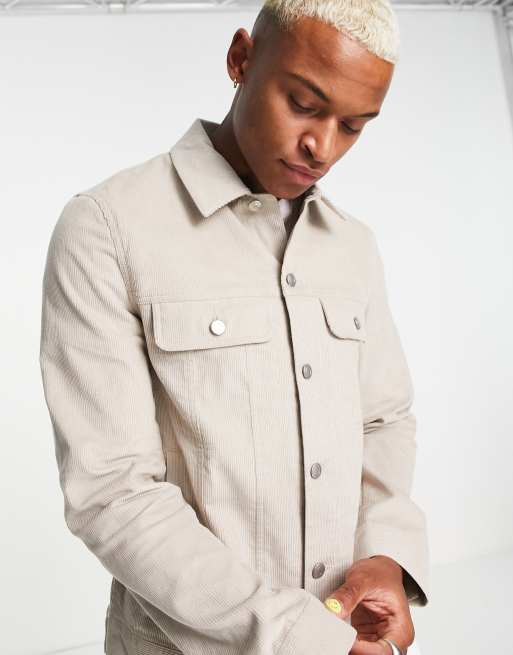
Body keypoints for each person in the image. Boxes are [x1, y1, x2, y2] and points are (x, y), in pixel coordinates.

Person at [38, 1, 430, 654]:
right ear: (241, 58)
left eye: (352, 126)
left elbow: (382, 421)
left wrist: (386, 557)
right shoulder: (106, 229)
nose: (322, 147)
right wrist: (301, 638)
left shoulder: (352, 245)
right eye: (302, 104)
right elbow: (112, 492)